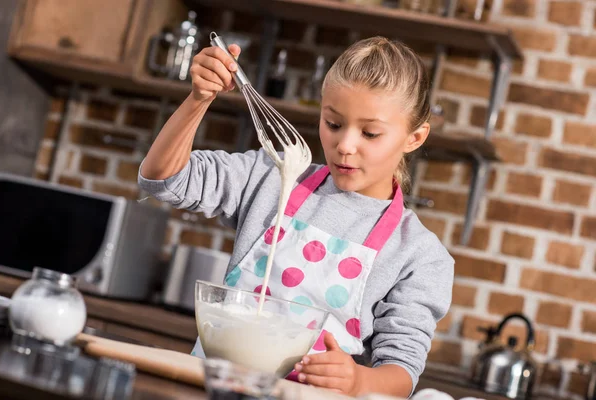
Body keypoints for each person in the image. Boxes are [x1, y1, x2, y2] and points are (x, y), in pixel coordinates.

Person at [138, 36, 454, 398]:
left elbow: (401, 373)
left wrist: (357, 380)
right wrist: (199, 99)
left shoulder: (419, 255)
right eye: (333, 123)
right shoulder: (270, 177)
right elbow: (163, 180)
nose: (346, 145)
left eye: (370, 133)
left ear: (414, 137)